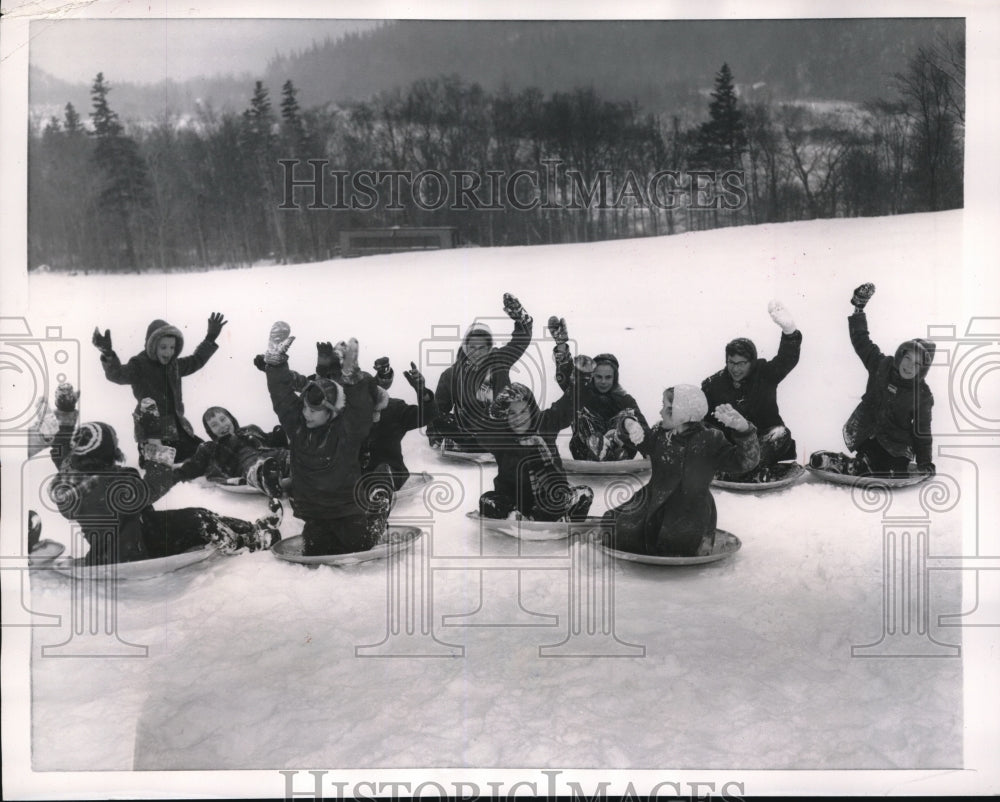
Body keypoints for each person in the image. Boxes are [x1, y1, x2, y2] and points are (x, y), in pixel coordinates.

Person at [43, 383, 281, 565]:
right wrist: (153, 432)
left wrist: (66, 413)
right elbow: (156, 484)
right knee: (197, 520)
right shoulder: (115, 484)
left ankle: (248, 527)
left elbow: (60, 452)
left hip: (129, 536)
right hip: (135, 549)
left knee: (200, 514)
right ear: (109, 452)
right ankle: (247, 540)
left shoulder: (72, 477)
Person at [262, 322, 390, 556]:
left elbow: (360, 411)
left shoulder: (345, 432)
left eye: (314, 410)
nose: (305, 414)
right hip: (315, 513)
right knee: (315, 550)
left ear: (331, 411)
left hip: (348, 510)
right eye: (304, 408)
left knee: (359, 544)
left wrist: (353, 380)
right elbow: (281, 396)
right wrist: (275, 364)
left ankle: (379, 506)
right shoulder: (298, 427)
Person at [602, 386, 759, 558]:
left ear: (680, 412)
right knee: (621, 532)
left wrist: (744, 431)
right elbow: (630, 435)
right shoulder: (659, 434)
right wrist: (629, 424)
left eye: (665, 406)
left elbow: (745, 462)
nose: (660, 412)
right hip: (652, 499)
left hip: (690, 508)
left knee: (674, 546)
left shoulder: (710, 439)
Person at [809, 283, 936, 478]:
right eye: (907, 358)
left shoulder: (922, 395)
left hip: (897, 445)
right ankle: (840, 462)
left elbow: (922, 432)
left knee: (894, 472)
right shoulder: (882, 366)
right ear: (900, 356)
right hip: (869, 433)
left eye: (917, 364)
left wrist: (925, 462)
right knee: (870, 461)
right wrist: (858, 309)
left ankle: (860, 465)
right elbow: (862, 342)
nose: (909, 366)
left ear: (923, 370)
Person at [92, 313, 227, 463]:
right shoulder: (139, 365)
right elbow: (117, 375)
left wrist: (210, 338)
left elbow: (196, 360)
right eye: (163, 347)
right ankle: (150, 458)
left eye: (172, 347)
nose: (168, 352)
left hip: (177, 430)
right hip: (153, 432)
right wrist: (108, 354)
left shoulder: (174, 365)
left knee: (208, 453)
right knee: (184, 460)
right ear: (152, 346)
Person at [478, 360, 595, 523]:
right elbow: (482, 435)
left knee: (584, 493)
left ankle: (552, 517)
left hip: (547, 498)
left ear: (532, 411)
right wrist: (492, 409)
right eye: (512, 413)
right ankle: (516, 517)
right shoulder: (502, 435)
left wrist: (582, 377)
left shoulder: (545, 423)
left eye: (523, 412)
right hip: (514, 501)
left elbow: (569, 405)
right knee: (487, 501)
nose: (518, 418)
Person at [701, 300, 802, 482]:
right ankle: (739, 471)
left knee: (781, 433)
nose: (735, 369)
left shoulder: (765, 374)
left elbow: (786, 360)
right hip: (730, 448)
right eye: (731, 363)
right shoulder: (713, 384)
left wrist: (790, 333)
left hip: (763, 442)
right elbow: (703, 419)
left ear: (752, 362)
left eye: (741, 364)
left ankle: (741, 471)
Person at [427, 292, 534, 453]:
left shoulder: (500, 360)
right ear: (465, 347)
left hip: (500, 429)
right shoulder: (451, 375)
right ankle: (459, 443)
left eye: (482, 347)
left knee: (523, 406)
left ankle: (522, 444)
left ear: (489, 348)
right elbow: (438, 409)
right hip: (468, 431)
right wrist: (434, 433)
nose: (477, 352)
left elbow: (520, 342)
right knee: (440, 419)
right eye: (473, 347)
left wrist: (522, 322)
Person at [548, 316, 650, 461]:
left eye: (608, 377)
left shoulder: (624, 399)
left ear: (614, 378)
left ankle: (610, 450)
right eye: (599, 377)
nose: (603, 382)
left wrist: (651, 455)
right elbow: (567, 378)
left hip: (619, 452)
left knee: (628, 416)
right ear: (592, 377)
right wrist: (561, 345)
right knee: (580, 412)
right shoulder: (584, 394)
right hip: (585, 450)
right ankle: (597, 450)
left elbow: (643, 428)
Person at [359, 358, 438, 492]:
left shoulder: (394, 409)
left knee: (382, 473)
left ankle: (379, 495)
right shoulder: (344, 414)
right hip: (354, 477)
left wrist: (422, 392)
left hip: (389, 474)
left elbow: (428, 415)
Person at [173, 407, 290, 496]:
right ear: (210, 431)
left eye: (223, 419)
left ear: (231, 418)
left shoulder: (250, 429)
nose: (222, 426)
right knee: (250, 459)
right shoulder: (209, 447)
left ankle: (294, 463)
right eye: (214, 425)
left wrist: (279, 435)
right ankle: (261, 475)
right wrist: (171, 476)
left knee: (284, 454)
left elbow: (269, 440)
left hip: (270, 456)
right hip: (245, 465)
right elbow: (191, 467)